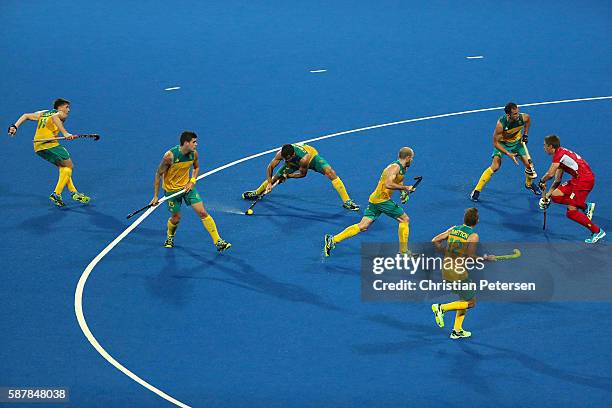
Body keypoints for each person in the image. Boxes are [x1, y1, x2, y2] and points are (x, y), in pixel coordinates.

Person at [324, 147, 416, 256]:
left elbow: (399, 181)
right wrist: (406, 188)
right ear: (408, 157)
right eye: (412, 158)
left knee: (363, 226)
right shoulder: (394, 168)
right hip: (382, 201)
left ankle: (332, 240)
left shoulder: (403, 168)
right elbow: (388, 184)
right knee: (404, 219)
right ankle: (404, 251)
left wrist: (403, 193)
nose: (412, 161)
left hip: (375, 200)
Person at [150, 131, 231, 252]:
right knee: (176, 218)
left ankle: (218, 241)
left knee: (202, 212)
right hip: (172, 191)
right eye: (194, 142)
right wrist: (155, 196)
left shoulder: (194, 154)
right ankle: (170, 236)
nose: (196, 144)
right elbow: (158, 173)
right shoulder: (170, 156)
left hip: (187, 188)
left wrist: (192, 181)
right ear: (186, 143)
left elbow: (196, 167)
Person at [7, 98, 90, 207]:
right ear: (60, 107)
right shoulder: (60, 113)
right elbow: (55, 117)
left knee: (63, 168)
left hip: (38, 146)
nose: (68, 110)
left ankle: (74, 193)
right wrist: (65, 133)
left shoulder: (44, 113)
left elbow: (26, 115)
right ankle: (57, 193)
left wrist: (15, 126)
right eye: (67, 107)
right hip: (50, 144)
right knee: (69, 166)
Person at [431, 208, 494, 339]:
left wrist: (446, 252)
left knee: (463, 298)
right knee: (471, 302)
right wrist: (486, 258)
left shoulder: (454, 229)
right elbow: (470, 257)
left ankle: (457, 330)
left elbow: (435, 240)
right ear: (477, 221)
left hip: (446, 268)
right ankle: (441, 308)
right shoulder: (473, 236)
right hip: (458, 273)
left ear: (464, 219)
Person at [242, 143, 359, 211]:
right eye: (284, 159)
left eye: (287, 158)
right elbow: (270, 167)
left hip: (312, 158)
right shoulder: (281, 154)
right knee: (274, 179)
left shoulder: (304, 159)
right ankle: (257, 192)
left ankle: (346, 201)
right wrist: (269, 183)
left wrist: (288, 176)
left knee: (330, 172)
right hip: (294, 163)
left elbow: (303, 174)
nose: (285, 160)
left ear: (292, 154)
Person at [538, 134, 605, 243]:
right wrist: (546, 197)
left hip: (584, 181)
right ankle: (585, 206)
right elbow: (557, 180)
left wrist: (542, 181)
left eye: (544, 145)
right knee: (555, 195)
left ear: (550, 146)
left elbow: (550, 175)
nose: (543, 147)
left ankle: (597, 231)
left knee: (571, 212)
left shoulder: (558, 156)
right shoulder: (560, 154)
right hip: (578, 179)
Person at [470, 102, 541, 201]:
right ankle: (477, 190)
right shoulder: (501, 124)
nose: (518, 115)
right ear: (508, 115)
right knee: (495, 166)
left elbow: (528, 121)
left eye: (518, 112)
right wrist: (508, 153)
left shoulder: (524, 117)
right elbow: (495, 143)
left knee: (529, 166)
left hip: (517, 143)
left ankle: (529, 184)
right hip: (502, 143)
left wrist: (525, 134)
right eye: (515, 114)